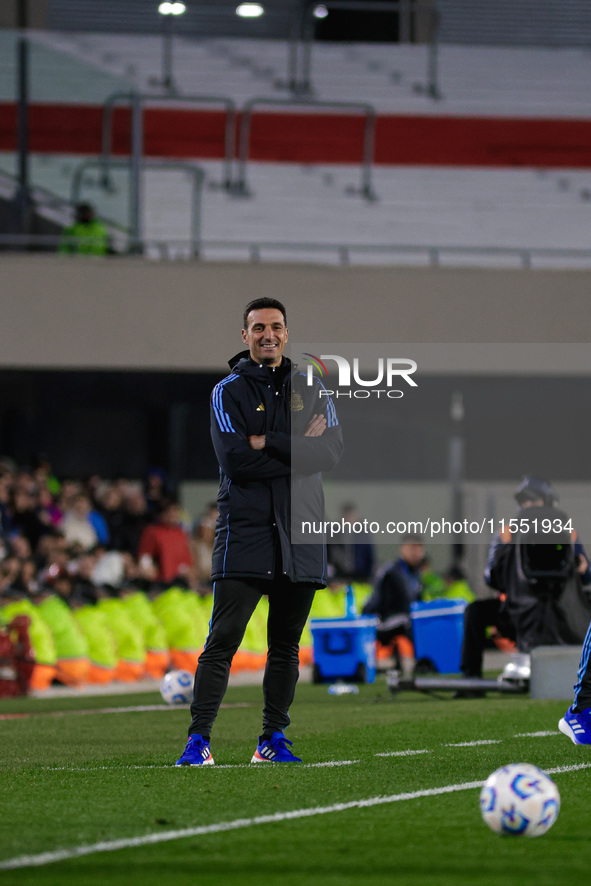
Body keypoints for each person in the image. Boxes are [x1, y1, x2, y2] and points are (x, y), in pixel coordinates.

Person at [175, 297, 343, 766]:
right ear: (244, 336)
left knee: (285, 646)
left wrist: (269, 441)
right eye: (258, 328)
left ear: (287, 333)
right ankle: (198, 740)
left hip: (301, 534)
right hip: (246, 533)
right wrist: (298, 449)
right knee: (222, 640)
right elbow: (234, 461)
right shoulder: (226, 391)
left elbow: (330, 453)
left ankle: (271, 740)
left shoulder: (313, 386)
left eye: (276, 326)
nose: (268, 334)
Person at [460, 475, 591, 683]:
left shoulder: (565, 532)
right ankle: (471, 679)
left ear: (546, 501)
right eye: (524, 501)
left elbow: (585, 573)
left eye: (533, 500)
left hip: (560, 613)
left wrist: (583, 569)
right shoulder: (509, 533)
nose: (527, 505)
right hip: (521, 615)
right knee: (475, 611)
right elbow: (492, 576)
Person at [361, 533, 425, 672]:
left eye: (419, 548)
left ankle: (430, 659)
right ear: (402, 549)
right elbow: (381, 605)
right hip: (379, 620)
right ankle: (422, 662)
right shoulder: (392, 572)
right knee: (408, 622)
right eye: (411, 548)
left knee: (421, 622)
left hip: (400, 618)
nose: (415, 553)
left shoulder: (416, 574)